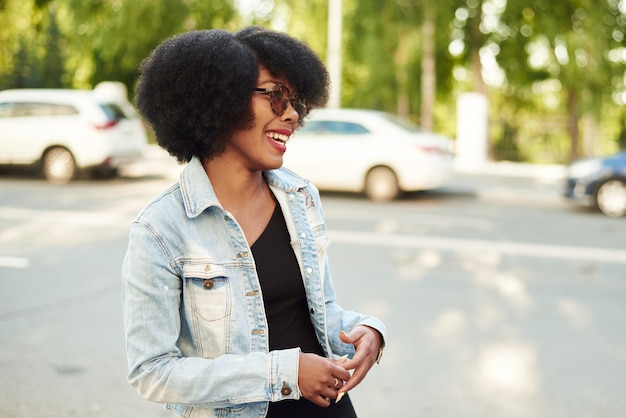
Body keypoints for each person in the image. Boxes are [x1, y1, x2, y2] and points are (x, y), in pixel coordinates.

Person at [122, 26, 387, 418]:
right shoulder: (161, 229)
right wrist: (284, 373)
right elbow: (153, 371)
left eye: (295, 101)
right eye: (275, 95)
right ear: (219, 98)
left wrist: (366, 332)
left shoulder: (300, 198)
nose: (293, 114)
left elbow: (320, 310)